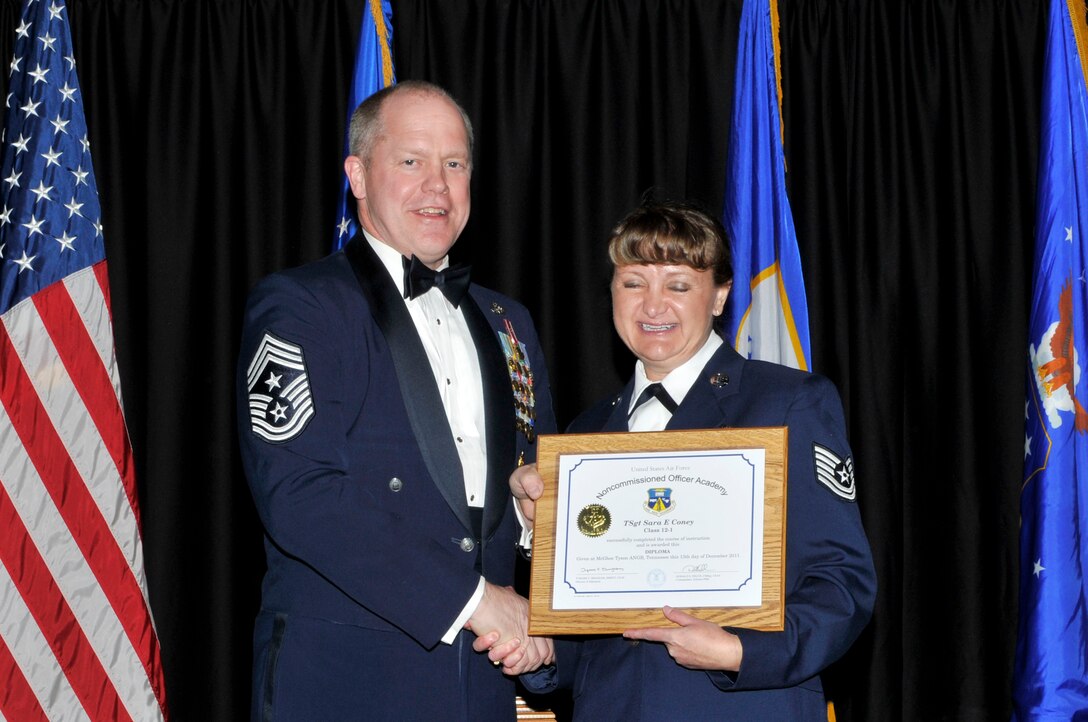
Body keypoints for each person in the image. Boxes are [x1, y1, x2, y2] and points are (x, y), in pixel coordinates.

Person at [236, 80, 556, 721]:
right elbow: (301, 498)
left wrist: (533, 533)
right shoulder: (300, 307)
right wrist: (474, 602)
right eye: (411, 161)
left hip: (483, 686)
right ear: (357, 175)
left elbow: (535, 487)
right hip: (346, 685)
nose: (437, 185)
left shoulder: (507, 320)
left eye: (455, 164)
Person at [486, 200, 876, 719]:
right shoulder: (585, 435)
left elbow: (842, 582)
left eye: (678, 284)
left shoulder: (788, 403)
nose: (653, 306)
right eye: (633, 282)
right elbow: (590, 632)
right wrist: (542, 652)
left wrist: (741, 652)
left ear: (719, 296)